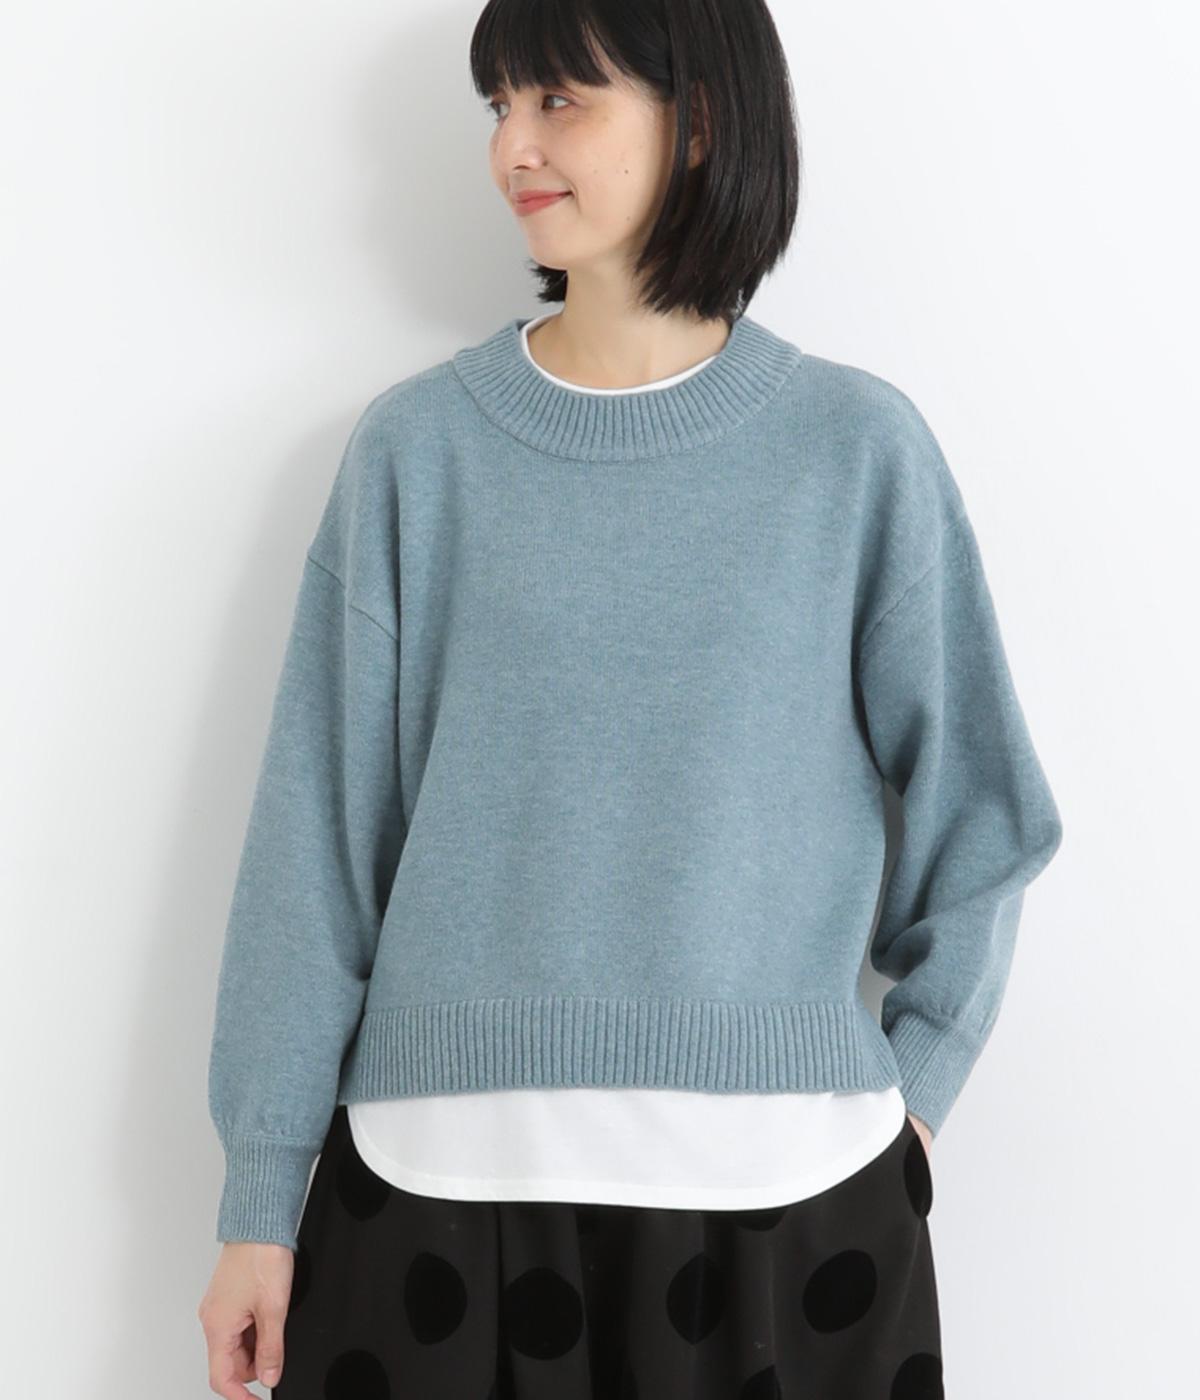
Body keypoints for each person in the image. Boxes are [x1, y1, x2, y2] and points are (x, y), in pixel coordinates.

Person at [197, 1, 1064, 1396]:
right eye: (500, 106)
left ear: (700, 120)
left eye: (561, 100)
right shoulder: (419, 453)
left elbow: (988, 815)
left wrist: (914, 1100)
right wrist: (259, 1193)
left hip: (793, 1204)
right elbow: (317, 854)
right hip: (433, 1190)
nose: (513, 148)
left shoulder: (853, 452)